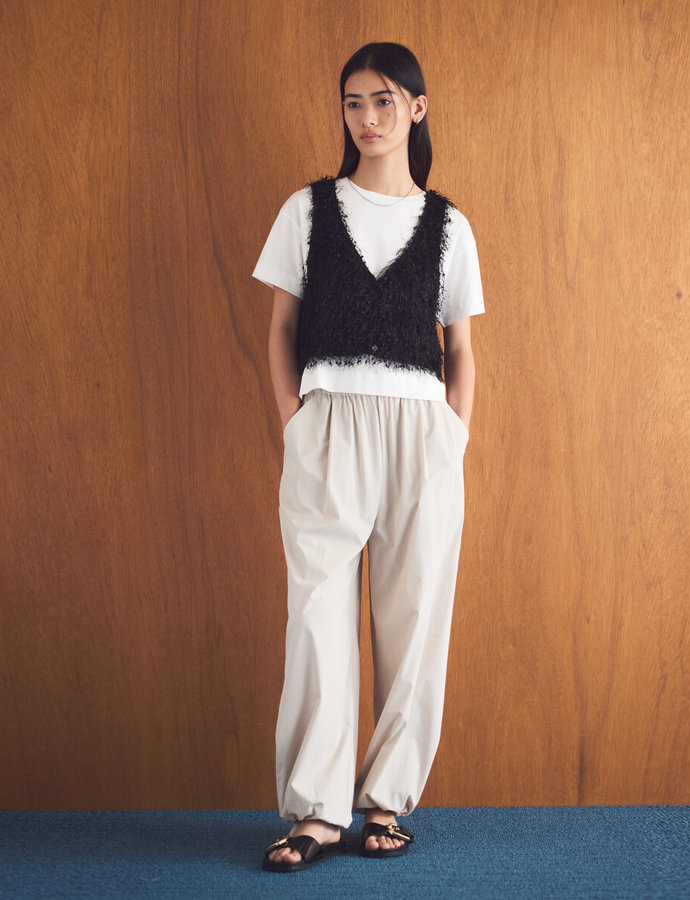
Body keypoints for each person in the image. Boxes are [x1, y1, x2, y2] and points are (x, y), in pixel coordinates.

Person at [252, 41, 485, 872]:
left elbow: (463, 348)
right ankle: (317, 811)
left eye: (384, 101)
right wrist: (295, 423)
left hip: (422, 433)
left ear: (416, 108)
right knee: (317, 615)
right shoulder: (307, 211)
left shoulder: (450, 225)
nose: (368, 118)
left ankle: (387, 800)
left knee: (415, 615)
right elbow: (280, 330)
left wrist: (453, 436)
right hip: (327, 425)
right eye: (354, 102)